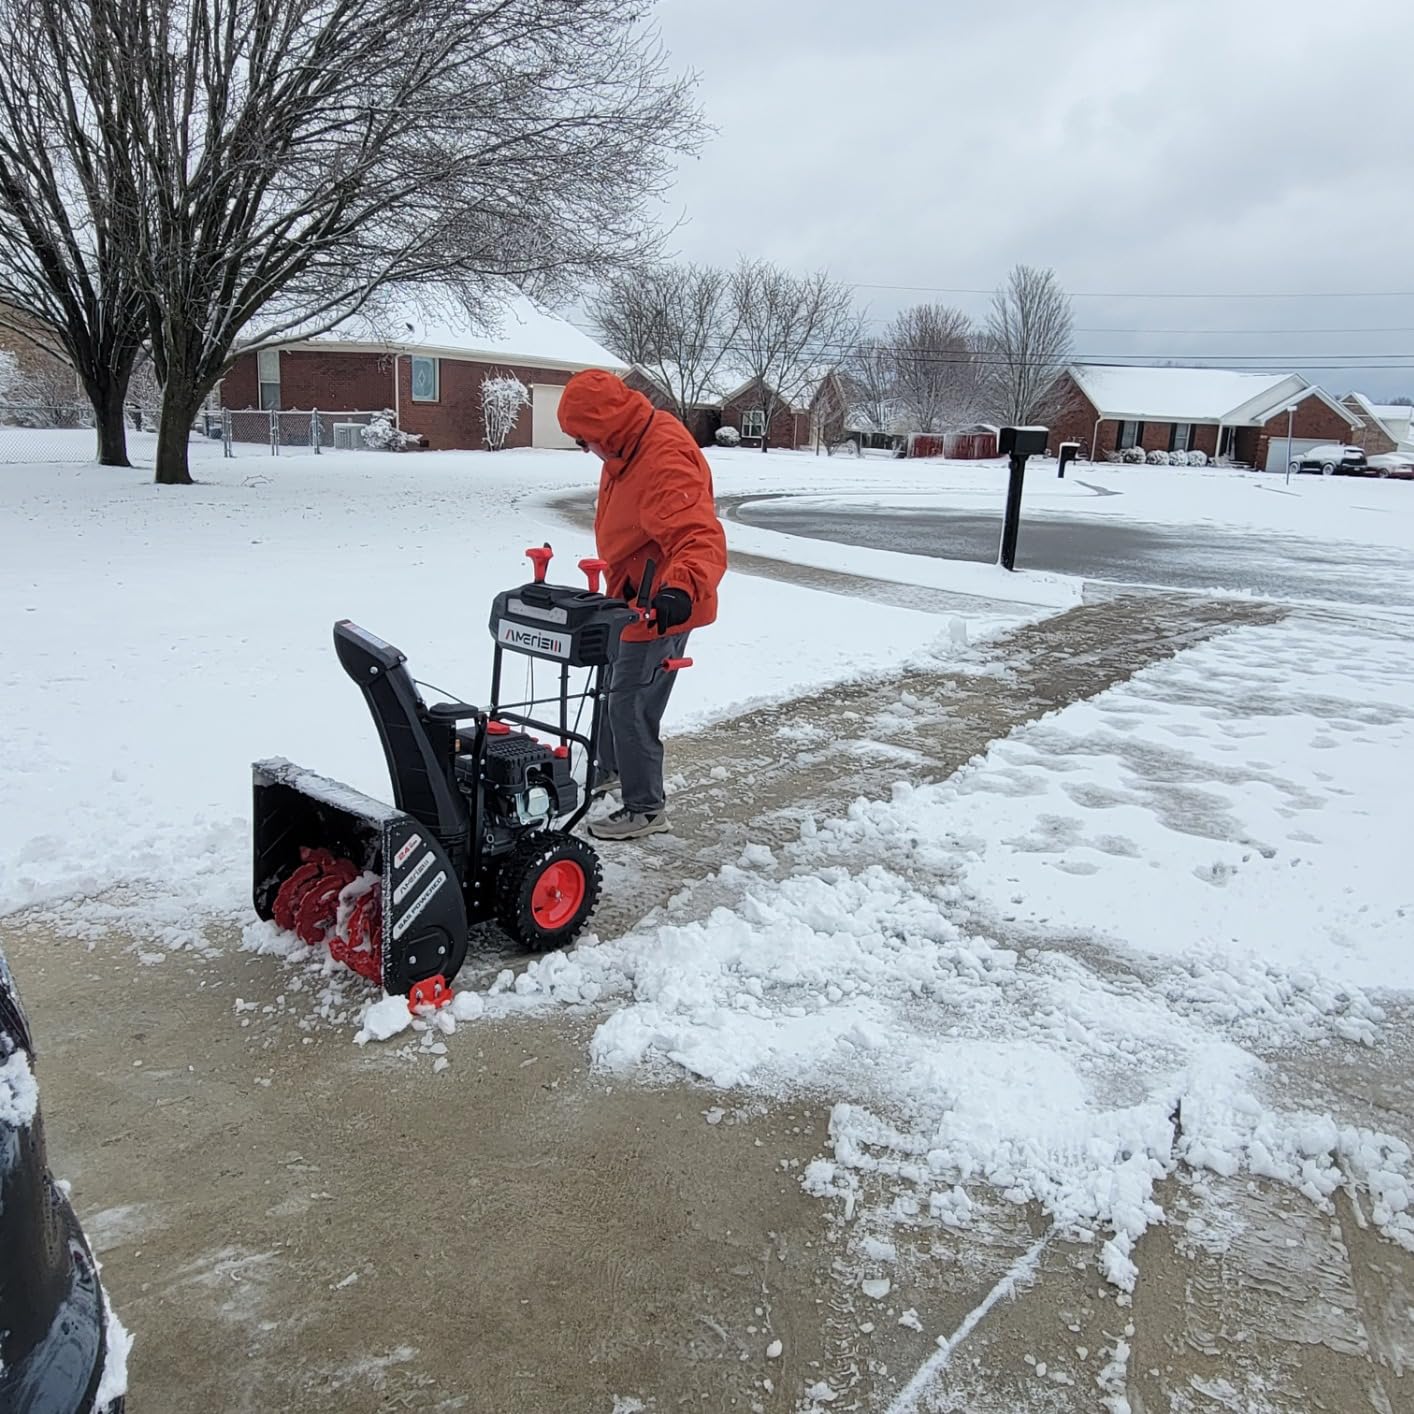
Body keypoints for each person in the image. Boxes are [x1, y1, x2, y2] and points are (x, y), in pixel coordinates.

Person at [557, 369, 727, 841]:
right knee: (610, 687)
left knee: (630, 701)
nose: (584, 449)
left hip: (663, 601)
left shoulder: (663, 456)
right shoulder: (626, 445)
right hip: (630, 594)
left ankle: (646, 807)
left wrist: (680, 589)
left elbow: (698, 536)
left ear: (606, 428)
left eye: (584, 439)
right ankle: (610, 770)